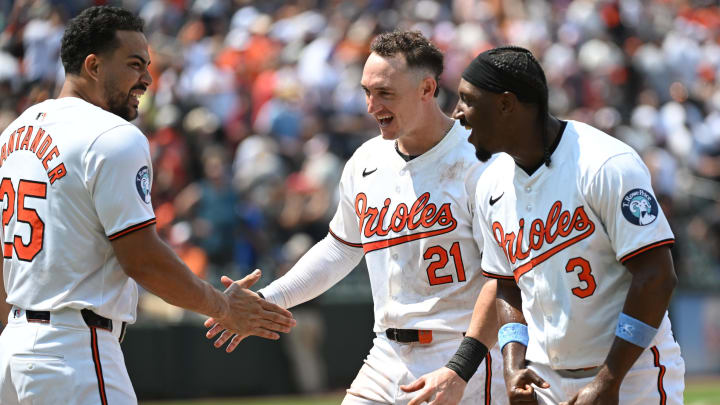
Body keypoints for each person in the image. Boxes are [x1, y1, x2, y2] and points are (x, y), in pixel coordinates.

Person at [0, 6, 295, 405]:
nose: (147, 78)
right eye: (135, 65)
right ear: (93, 66)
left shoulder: (16, 131)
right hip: (75, 353)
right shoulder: (112, 135)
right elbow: (143, 261)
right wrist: (223, 307)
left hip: (14, 348)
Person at [205, 31, 508, 405]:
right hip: (386, 352)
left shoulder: (482, 160)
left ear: (427, 89)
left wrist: (461, 367)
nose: (370, 105)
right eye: (366, 91)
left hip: (463, 351)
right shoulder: (366, 161)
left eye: (384, 93)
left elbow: (504, 278)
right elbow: (340, 250)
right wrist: (268, 298)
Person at [451, 45, 685, 404]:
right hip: (545, 381)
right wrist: (513, 364)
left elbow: (656, 275)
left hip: (632, 374)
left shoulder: (606, 164)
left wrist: (610, 378)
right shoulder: (490, 184)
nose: (457, 113)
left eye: (468, 99)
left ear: (505, 104)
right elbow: (507, 285)